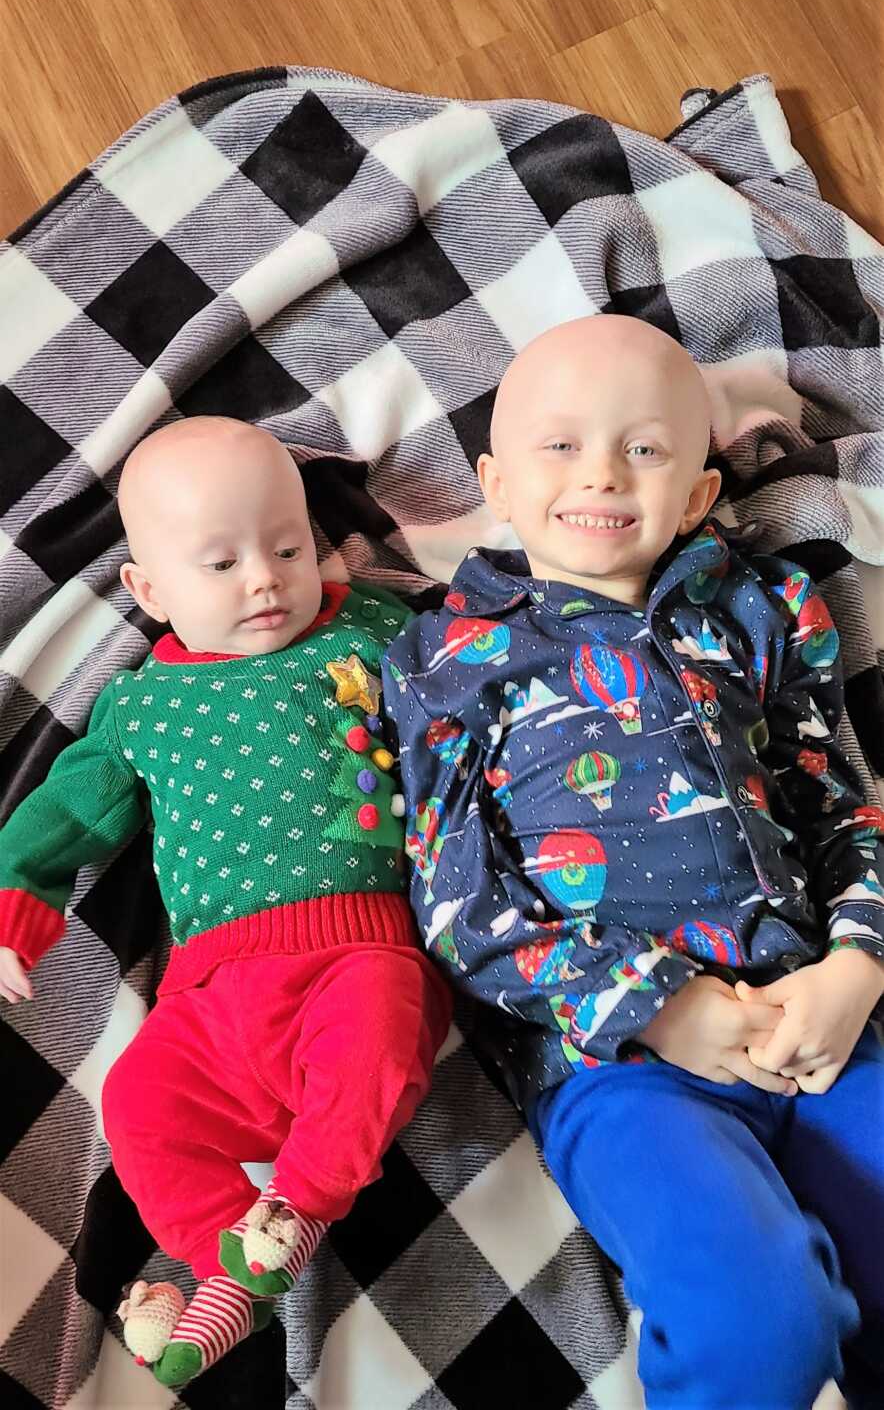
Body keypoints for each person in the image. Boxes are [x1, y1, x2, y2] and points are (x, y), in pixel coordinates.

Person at [383, 317, 884, 1410]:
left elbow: (837, 805)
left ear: (699, 497)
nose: (602, 472)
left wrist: (857, 967)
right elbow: (454, 896)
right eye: (559, 447)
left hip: (818, 1027)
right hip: (616, 1068)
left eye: (644, 449)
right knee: (758, 1314)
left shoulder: (761, 609)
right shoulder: (449, 655)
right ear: (496, 484)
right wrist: (655, 1007)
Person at [0, 417, 450, 1388]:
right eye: (221, 562)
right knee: (138, 1101)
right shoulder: (140, 707)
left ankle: (298, 1206)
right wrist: (15, 906)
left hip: (358, 952)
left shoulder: (370, 627)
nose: (265, 577)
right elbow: (67, 814)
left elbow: (465, 681)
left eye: (289, 546)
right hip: (207, 1000)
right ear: (150, 592)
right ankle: (225, 1267)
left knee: (375, 1037)